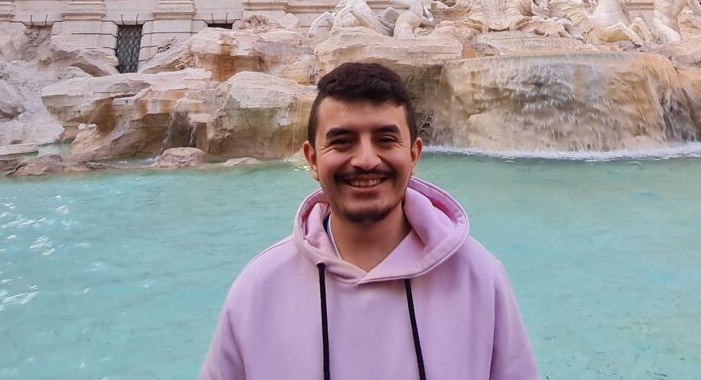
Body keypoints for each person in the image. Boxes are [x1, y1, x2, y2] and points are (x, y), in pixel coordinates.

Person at [201, 62, 538, 379]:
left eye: (385, 140)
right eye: (343, 141)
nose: (365, 160)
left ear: (414, 154)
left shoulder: (479, 276)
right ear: (312, 159)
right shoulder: (257, 288)